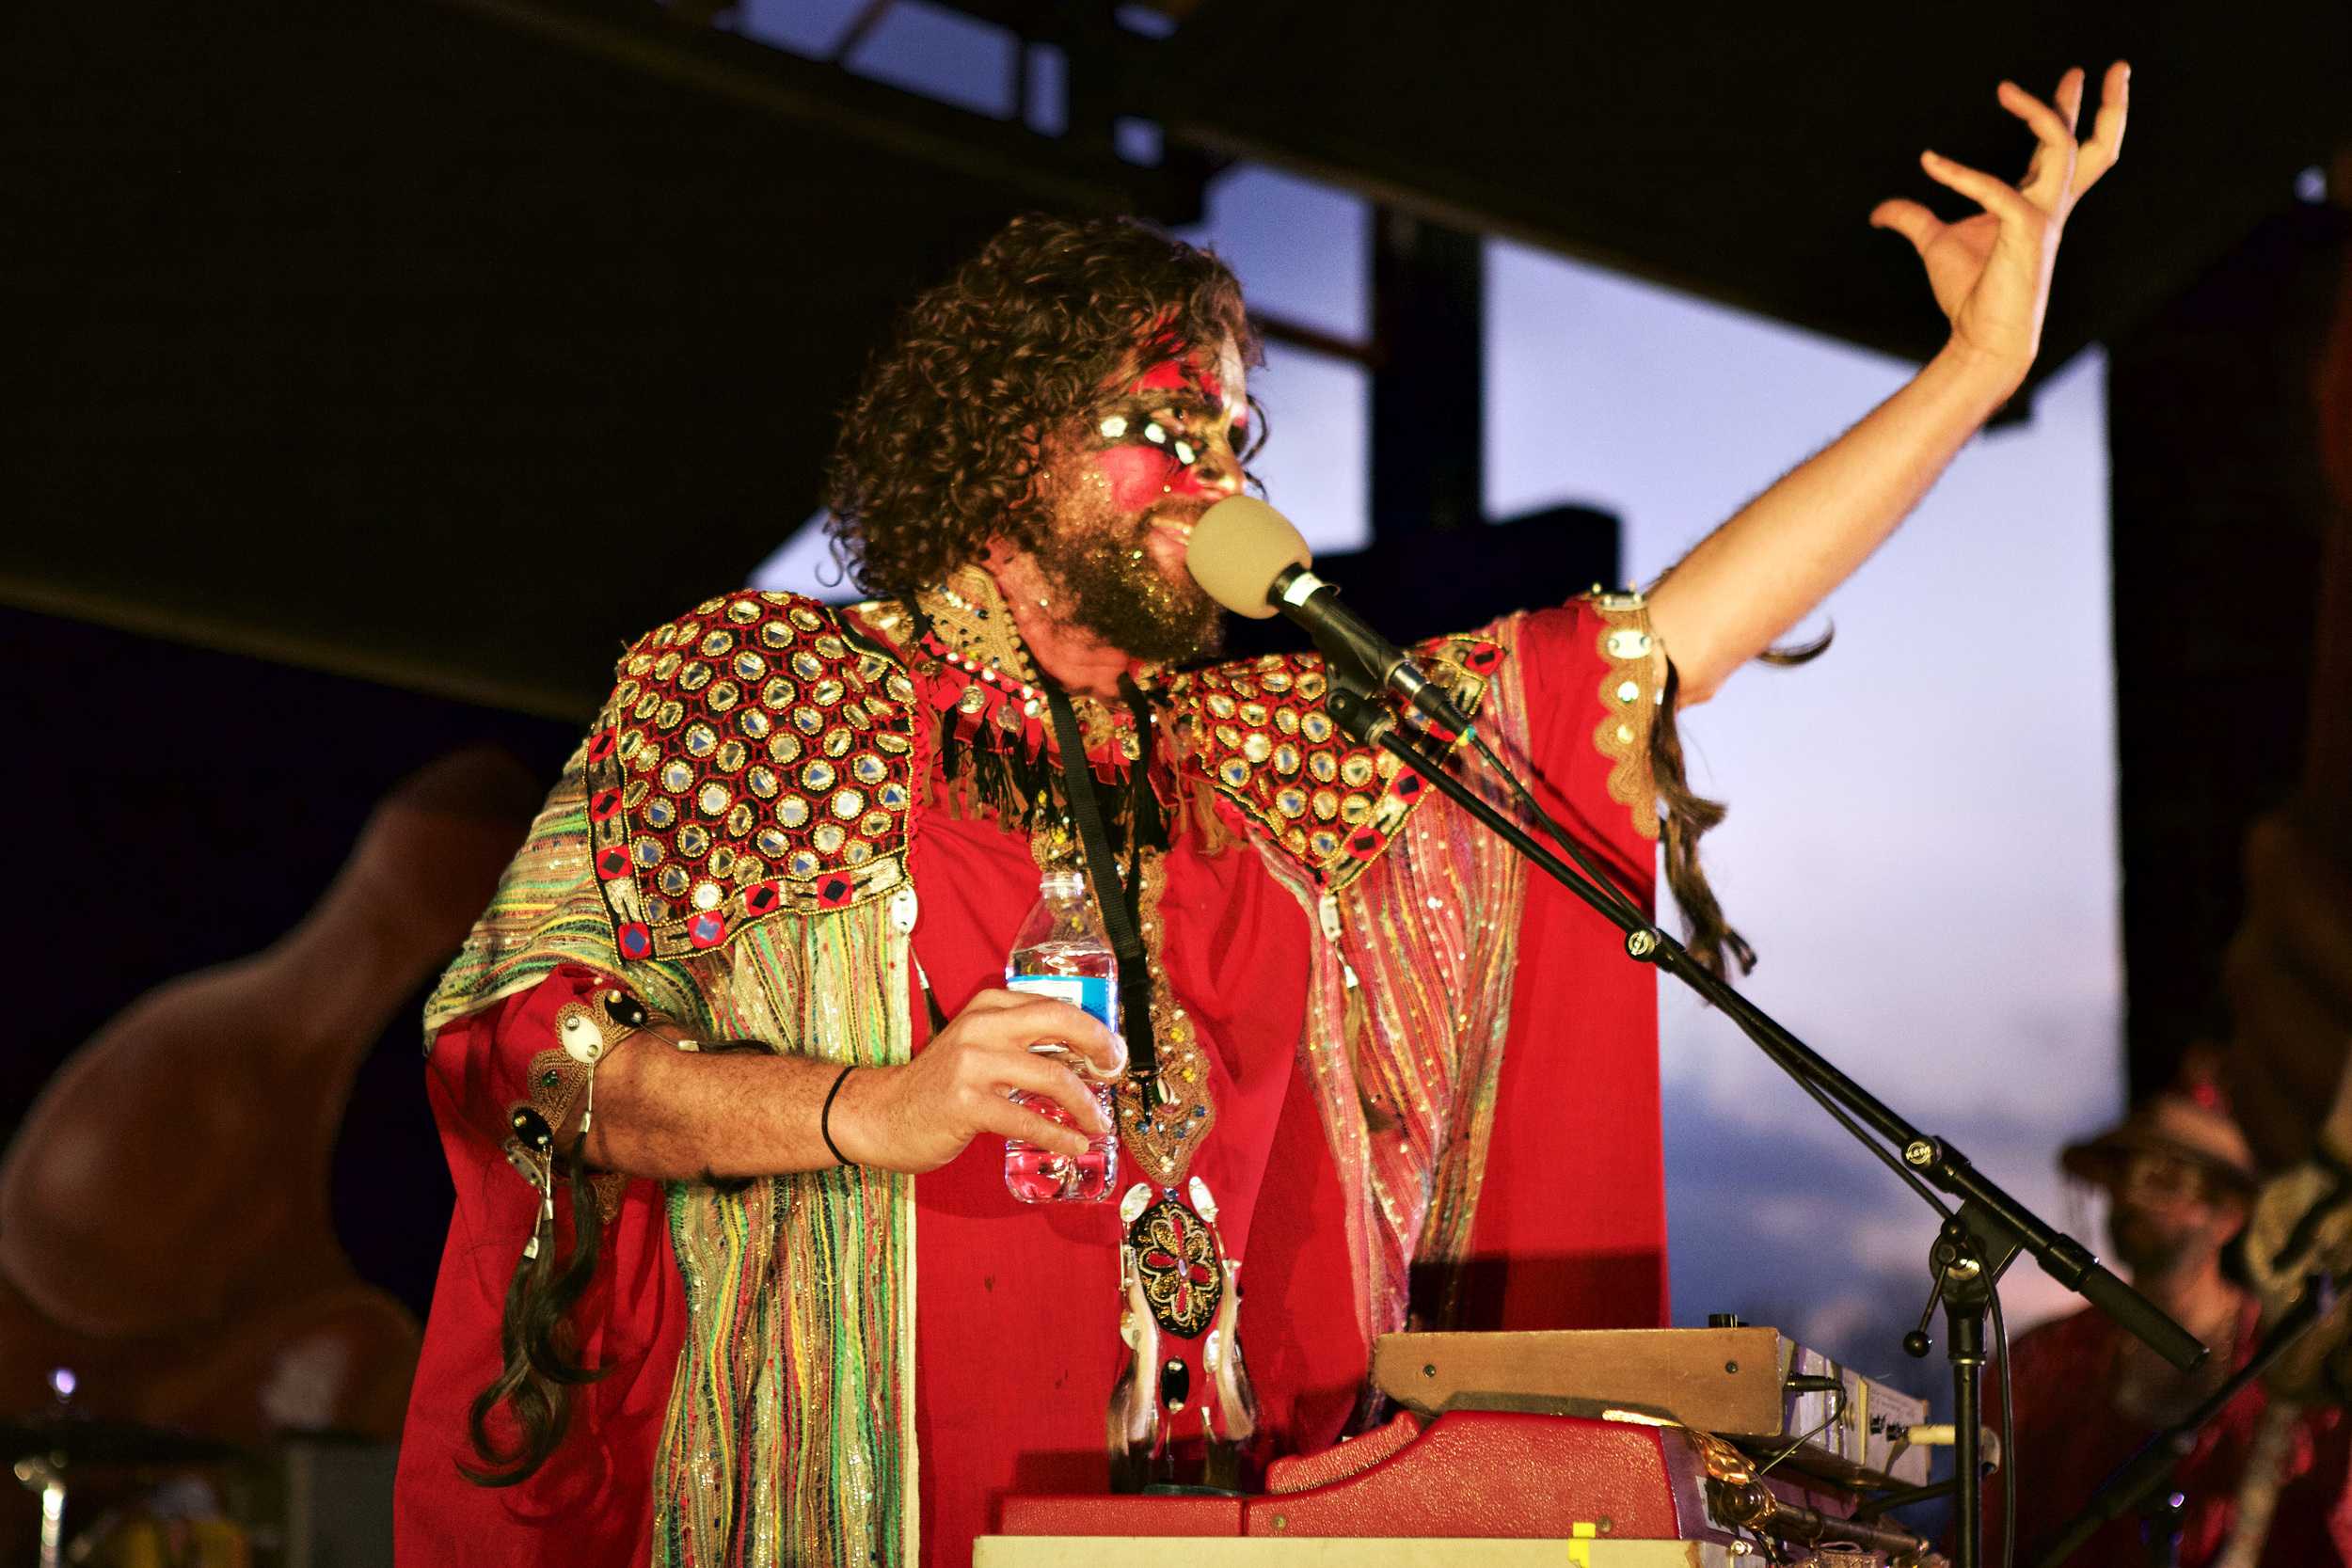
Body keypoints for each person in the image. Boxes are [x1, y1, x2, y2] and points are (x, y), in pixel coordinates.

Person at [393, 65, 2132, 1566]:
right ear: (1004, 440)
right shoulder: (752, 681)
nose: (1223, 485)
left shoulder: (1263, 749)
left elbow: (1649, 656)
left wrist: (1972, 373)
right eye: (1170, 430)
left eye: (1238, 441)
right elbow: (520, 1047)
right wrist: (870, 1106)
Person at [1991, 1078, 2352, 1565]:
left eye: (2164, 1180)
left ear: (2229, 1214)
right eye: (2122, 1177)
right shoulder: (2041, 1363)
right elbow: (1989, 1533)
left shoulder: (2294, 1362)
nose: (2132, 1199)